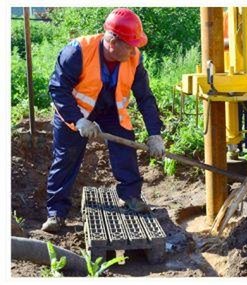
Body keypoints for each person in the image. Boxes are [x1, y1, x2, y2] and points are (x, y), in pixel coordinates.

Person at [42, 8, 165, 232]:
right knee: (66, 158)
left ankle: (130, 196)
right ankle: (56, 213)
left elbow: (145, 97)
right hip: (74, 111)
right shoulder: (78, 51)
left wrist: (155, 133)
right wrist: (78, 120)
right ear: (112, 42)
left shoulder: (134, 58)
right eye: (130, 45)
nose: (134, 50)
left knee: (124, 145)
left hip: (110, 109)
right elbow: (58, 89)